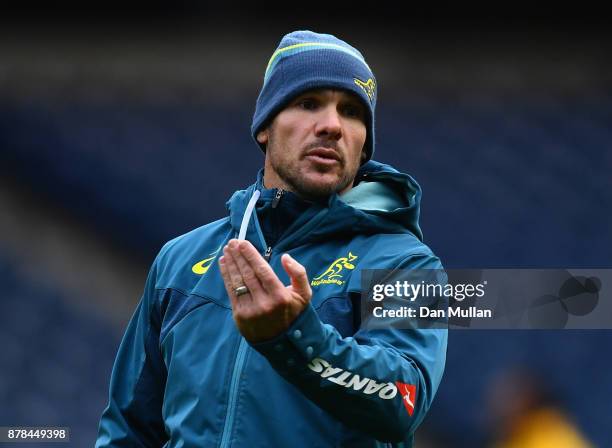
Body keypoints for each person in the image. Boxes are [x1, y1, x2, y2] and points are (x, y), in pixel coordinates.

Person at [96, 30, 447, 447]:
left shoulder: (406, 262)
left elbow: (402, 401)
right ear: (265, 127)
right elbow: (128, 430)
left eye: (351, 111)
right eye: (308, 103)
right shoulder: (178, 260)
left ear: (364, 144)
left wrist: (294, 337)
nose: (332, 125)